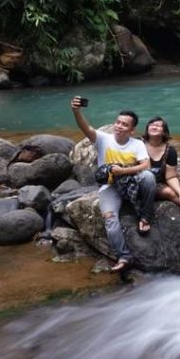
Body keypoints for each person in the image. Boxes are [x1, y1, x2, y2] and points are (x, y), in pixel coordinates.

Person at [71, 96, 155, 272]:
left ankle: (145, 217)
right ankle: (124, 256)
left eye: (125, 124)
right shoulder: (103, 139)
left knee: (148, 176)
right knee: (109, 218)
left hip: (132, 183)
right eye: (118, 122)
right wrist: (76, 111)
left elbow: (145, 165)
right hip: (109, 187)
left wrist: (122, 171)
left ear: (132, 130)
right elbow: (85, 128)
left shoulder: (137, 144)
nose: (119, 126)